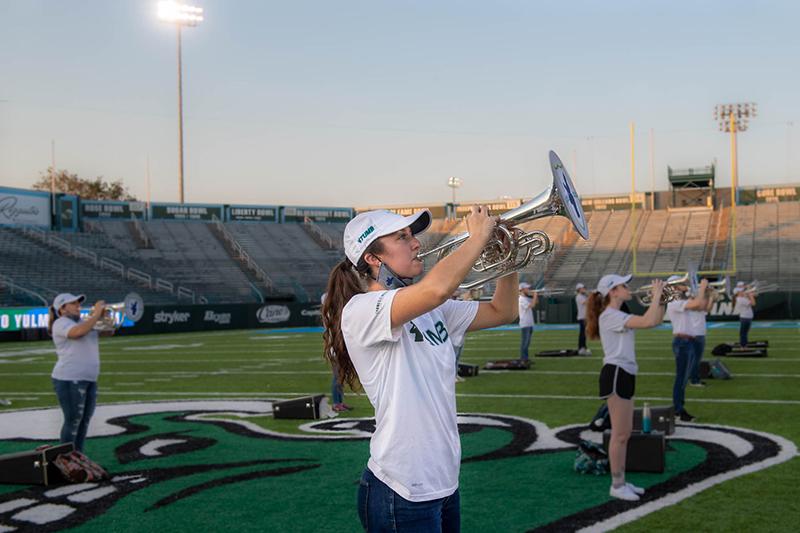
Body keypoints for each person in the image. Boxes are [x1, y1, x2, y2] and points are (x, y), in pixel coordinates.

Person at [321, 206, 517, 532]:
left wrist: (508, 260)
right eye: (402, 237)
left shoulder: (433, 311)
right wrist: (479, 237)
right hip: (400, 488)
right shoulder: (361, 310)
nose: (416, 244)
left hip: (442, 481)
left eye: (412, 235)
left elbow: (503, 311)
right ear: (373, 258)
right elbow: (436, 289)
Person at [586, 274, 665, 502]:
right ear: (613, 292)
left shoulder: (617, 314)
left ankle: (621, 481)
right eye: (624, 285)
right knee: (619, 435)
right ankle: (617, 484)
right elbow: (648, 321)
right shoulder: (610, 316)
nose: (628, 288)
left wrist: (663, 300)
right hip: (616, 374)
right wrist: (657, 295)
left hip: (625, 372)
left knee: (625, 433)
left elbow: (656, 321)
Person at [47, 293, 110, 452]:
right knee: (73, 421)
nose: (78, 306)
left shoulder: (84, 322)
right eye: (73, 303)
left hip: (89, 378)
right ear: (62, 308)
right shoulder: (60, 323)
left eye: (78, 303)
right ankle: (65, 460)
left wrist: (104, 317)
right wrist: (95, 314)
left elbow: (109, 332)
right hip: (69, 379)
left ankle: (78, 457)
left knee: (84, 421)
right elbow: (77, 333)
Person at [665, 276, 709, 422]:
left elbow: (700, 306)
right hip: (682, 342)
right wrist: (701, 289)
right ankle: (678, 411)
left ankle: (679, 409)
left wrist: (704, 293)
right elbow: (697, 303)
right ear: (675, 287)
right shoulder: (673, 302)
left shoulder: (680, 301)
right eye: (682, 284)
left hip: (687, 341)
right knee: (681, 379)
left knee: (683, 379)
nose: (685, 285)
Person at [322, 292, 353, 412]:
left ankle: (340, 401)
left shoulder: (330, 315)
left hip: (338, 348)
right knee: (337, 377)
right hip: (335, 349)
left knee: (340, 377)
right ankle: (336, 403)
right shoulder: (330, 316)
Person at [688, 284, 715, 388]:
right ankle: (694, 380)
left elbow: (707, 309)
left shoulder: (696, 303)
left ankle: (695, 378)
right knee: (695, 359)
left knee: (696, 359)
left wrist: (711, 298)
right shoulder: (692, 304)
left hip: (699, 333)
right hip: (695, 333)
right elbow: (702, 306)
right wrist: (708, 295)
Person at [518, 283, 538, 362]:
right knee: (525, 343)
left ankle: (525, 358)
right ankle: (523, 358)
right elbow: (532, 305)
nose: (528, 290)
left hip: (529, 323)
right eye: (527, 288)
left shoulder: (525, 298)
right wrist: (535, 295)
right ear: (522, 289)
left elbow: (536, 302)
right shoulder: (521, 299)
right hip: (525, 323)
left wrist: (535, 296)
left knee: (527, 343)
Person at [575, 283, 591, 355]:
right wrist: (591, 295)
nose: (584, 289)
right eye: (582, 288)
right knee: (582, 334)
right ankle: (581, 348)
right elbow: (587, 302)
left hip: (585, 317)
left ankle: (583, 347)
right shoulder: (579, 297)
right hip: (582, 317)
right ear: (579, 289)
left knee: (584, 333)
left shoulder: (582, 296)